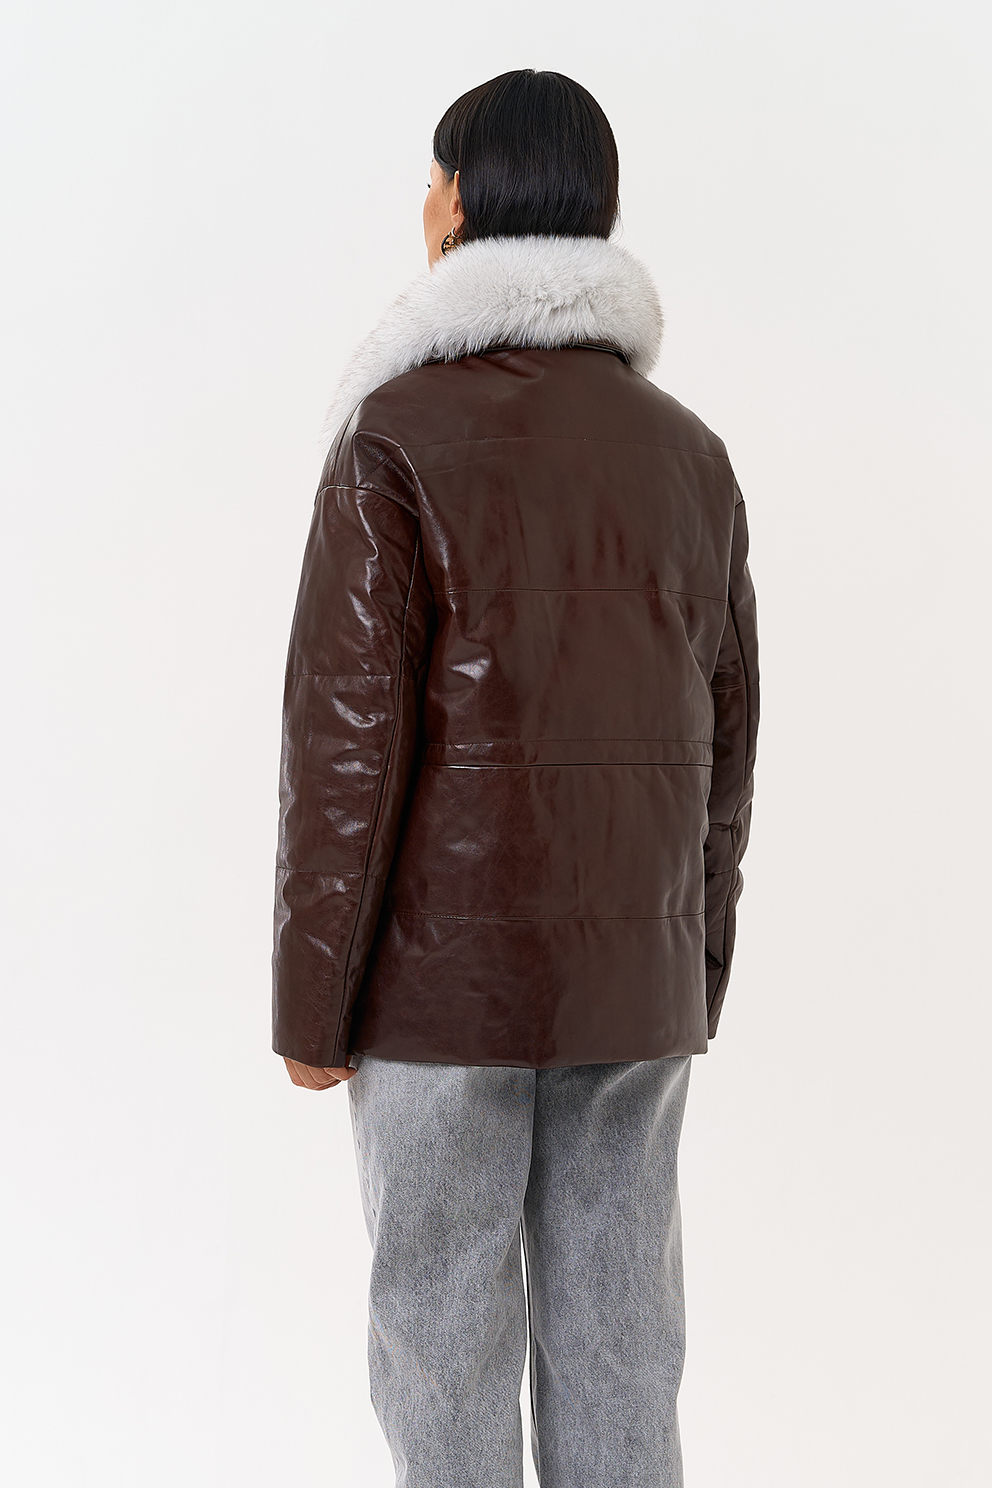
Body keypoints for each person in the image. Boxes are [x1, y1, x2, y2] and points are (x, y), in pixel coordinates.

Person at [272, 68, 758, 1488]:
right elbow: (729, 745)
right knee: (624, 1338)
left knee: (442, 1336)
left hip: (440, 995)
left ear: (464, 203)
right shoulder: (691, 457)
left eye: (433, 176)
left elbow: (346, 750)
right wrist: (693, 964)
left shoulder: (394, 437)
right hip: (633, 984)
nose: (422, 202)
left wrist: (313, 1008)